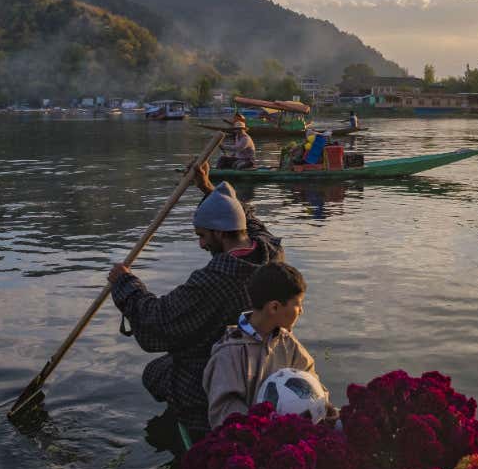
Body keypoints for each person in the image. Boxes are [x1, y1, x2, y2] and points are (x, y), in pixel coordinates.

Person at [107, 161, 284, 437]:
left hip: (219, 369)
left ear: (221, 233)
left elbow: (159, 319)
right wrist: (209, 189)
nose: (201, 244)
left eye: (203, 236)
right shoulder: (270, 252)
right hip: (262, 360)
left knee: (154, 374)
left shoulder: (215, 279)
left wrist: (125, 283)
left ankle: (197, 418)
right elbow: (249, 222)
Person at [203, 261, 327, 429]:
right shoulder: (229, 352)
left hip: (290, 431)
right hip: (252, 438)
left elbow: (310, 380)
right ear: (274, 307)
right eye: (298, 303)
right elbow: (224, 410)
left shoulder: (288, 343)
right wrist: (262, 427)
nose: (301, 311)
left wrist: (323, 405)